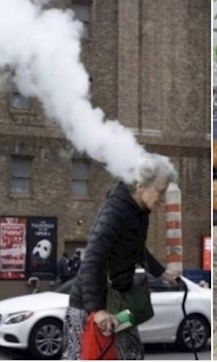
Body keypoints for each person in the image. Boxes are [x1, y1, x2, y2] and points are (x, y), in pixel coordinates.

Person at [62, 154, 179, 360]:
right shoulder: (114, 212)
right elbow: (91, 261)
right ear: (140, 186)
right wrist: (96, 310)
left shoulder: (140, 211)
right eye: (160, 192)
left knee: (131, 354)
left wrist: (162, 273)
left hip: (117, 301)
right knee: (82, 356)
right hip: (89, 304)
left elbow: (137, 249)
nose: (162, 199)